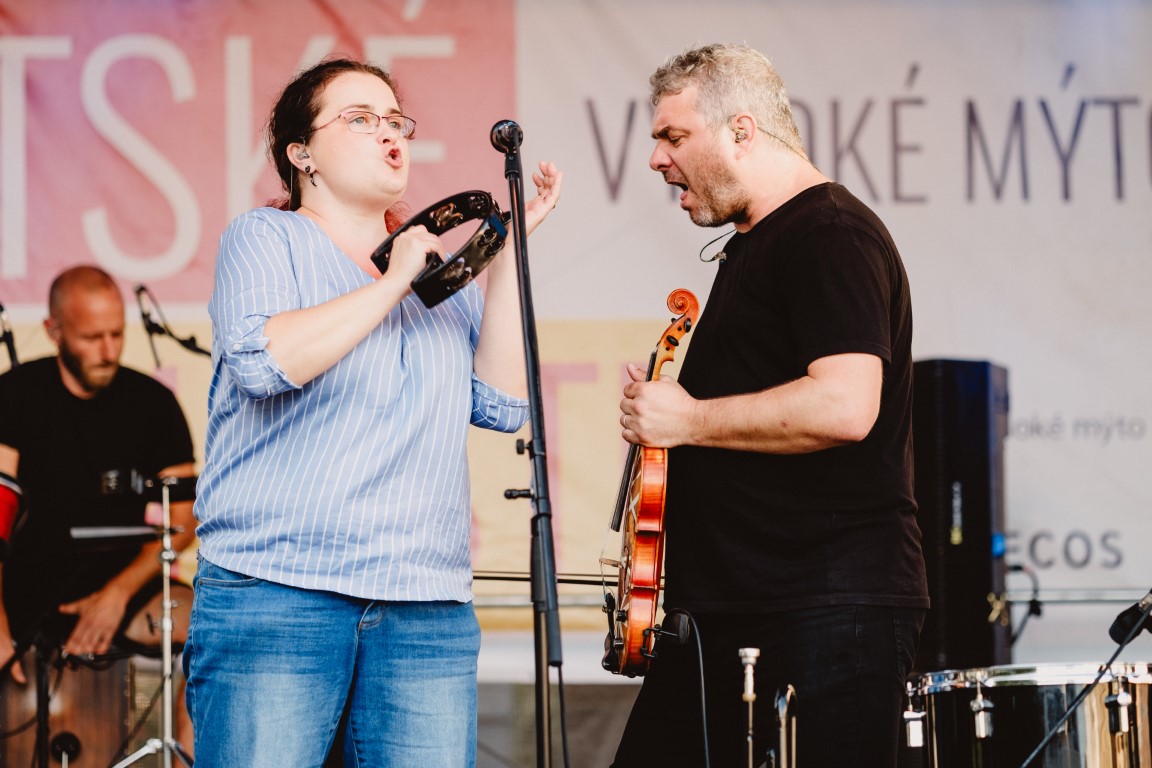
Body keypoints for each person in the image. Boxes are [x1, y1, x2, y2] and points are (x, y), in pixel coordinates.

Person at [185, 57, 561, 767]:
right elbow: (264, 363)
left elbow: (501, 404)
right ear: (302, 155)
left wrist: (508, 255)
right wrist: (393, 282)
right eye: (360, 119)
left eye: (396, 121)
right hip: (280, 591)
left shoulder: (435, 274)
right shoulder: (266, 238)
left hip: (425, 602)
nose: (389, 134)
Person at [612, 43, 928, 767]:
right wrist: (670, 412)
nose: (657, 159)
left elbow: (846, 405)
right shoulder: (756, 242)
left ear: (741, 131)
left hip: (823, 610)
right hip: (733, 609)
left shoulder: (829, 234)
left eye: (673, 136)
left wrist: (689, 419)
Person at [0, 265, 197, 751]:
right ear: (54, 331)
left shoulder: (154, 402)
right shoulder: (14, 395)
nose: (109, 350)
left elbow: (183, 520)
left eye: (116, 334)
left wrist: (115, 595)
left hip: (124, 582)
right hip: (23, 584)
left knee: (212, 627)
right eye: (92, 338)